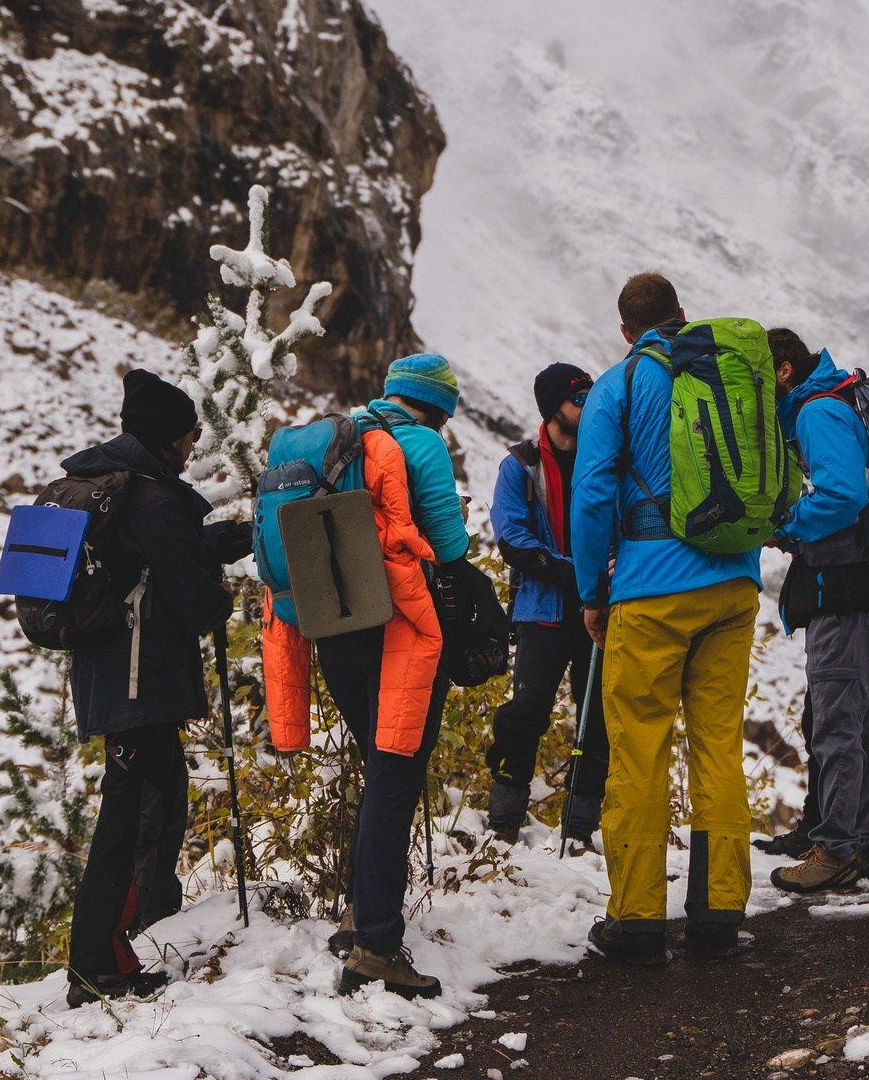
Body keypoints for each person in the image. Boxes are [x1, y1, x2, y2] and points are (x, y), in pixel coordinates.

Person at [262, 354, 470, 999]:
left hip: (332, 625)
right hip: (397, 629)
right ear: (438, 407)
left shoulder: (341, 444)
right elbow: (450, 545)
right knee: (395, 774)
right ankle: (376, 947)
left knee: (378, 768)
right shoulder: (421, 444)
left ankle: (359, 917)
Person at [571, 273, 763, 964]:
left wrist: (592, 592)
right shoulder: (730, 372)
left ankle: (637, 921)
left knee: (640, 750)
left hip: (651, 590)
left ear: (627, 332)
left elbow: (592, 494)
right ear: (682, 314)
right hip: (734, 583)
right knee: (718, 746)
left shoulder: (619, 385)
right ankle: (718, 914)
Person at [62, 369, 255, 1006]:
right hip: (136, 689)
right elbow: (195, 601)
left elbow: (157, 552)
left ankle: (139, 930)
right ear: (169, 436)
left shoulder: (126, 488)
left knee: (160, 800)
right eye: (191, 432)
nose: (195, 442)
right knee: (127, 820)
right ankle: (97, 966)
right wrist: (219, 594)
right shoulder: (152, 497)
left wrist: (223, 541)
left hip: (115, 680)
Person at [762, 329, 869, 893]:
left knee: (836, 723)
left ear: (784, 370)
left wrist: (788, 528)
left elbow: (842, 495)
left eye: (760, 377)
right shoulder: (836, 402)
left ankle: (835, 850)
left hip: (841, 589)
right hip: (860, 587)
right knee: (862, 722)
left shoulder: (817, 412)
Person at [486, 363, 606, 845]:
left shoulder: (606, 457)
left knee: (597, 718)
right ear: (554, 406)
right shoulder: (520, 465)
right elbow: (512, 538)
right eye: (580, 398)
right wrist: (578, 573)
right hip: (544, 611)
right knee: (525, 713)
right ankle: (503, 823)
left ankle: (580, 828)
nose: (588, 406)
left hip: (600, 607)